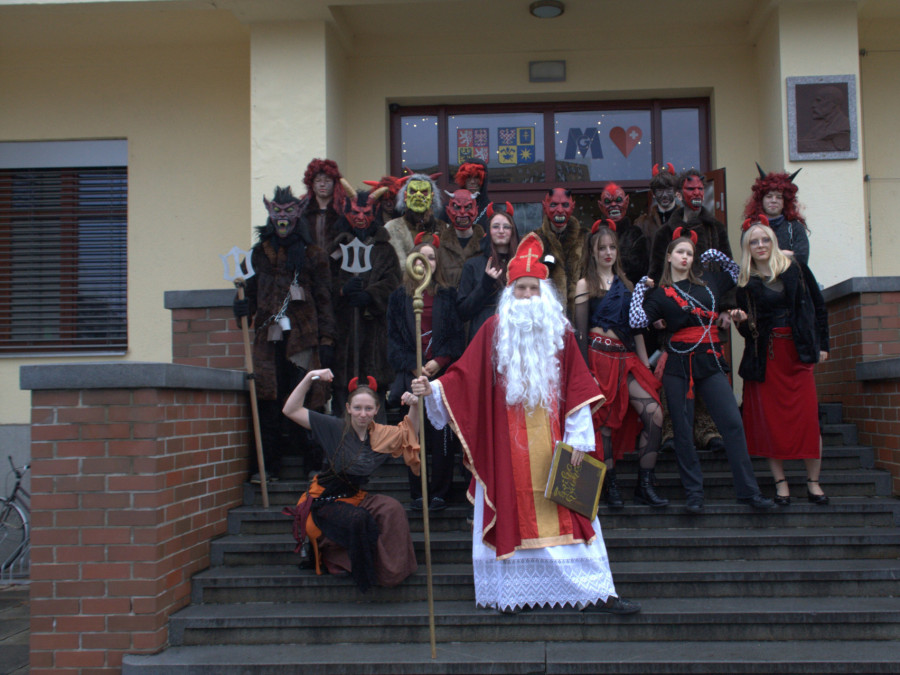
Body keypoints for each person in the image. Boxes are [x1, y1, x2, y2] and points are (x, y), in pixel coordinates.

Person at [411, 233, 639, 615]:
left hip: (557, 444)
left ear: (544, 292)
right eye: (521, 288)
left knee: (574, 517)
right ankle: (513, 594)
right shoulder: (492, 330)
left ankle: (594, 592)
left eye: (534, 288)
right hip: (506, 448)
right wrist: (431, 389)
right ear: (510, 291)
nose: (528, 296)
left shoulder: (560, 332)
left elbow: (579, 385)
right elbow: (464, 377)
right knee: (511, 511)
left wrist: (580, 439)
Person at [629, 229, 774, 514]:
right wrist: (640, 289)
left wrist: (716, 255)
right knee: (683, 431)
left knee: (732, 423)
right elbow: (636, 321)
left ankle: (749, 491)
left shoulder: (709, 281)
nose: (685, 257)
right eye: (680, 252)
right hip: (678, 364)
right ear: (669, 256)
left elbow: (738, 273)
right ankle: (694, 494)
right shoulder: (660, 294)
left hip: (710, 361)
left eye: (690, 253)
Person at [282, 369, 421, 592]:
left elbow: (409, 433)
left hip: (356, 497)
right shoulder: (333, 427)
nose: (363, 414)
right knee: (359, 520)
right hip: (325, 501)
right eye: (357, 408)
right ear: (348, 408)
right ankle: (349, 566)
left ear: (377, 409)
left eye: (368, 408)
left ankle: (391, 572)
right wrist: (309, 377)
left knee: (392, 509)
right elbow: (290, 410)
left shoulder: (381, 434)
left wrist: (415, 405)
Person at [234, 185, 335, 482]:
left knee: (308, 398)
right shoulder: (257, 255)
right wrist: (241, 307)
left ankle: (313, 464)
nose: (282, 218)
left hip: (303, 339)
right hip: (268, 341)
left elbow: (325, 299)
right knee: (267, 400)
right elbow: (249, 294)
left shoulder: (313, 255)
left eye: (288, 212)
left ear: (298, 214)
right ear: (270, 214)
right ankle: (267, 466)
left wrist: (327, 340)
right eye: (277, 212)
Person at [728, 217, 830, 505]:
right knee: (771, 423)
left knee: (808, 420)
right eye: (754, 242)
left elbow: (818, 306)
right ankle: (781, 483)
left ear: (773, 242)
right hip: (767, 358)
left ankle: (813, 482)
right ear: (747, 248)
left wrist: (823, 344)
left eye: (765, 240)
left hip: (798, 354)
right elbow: (750, 333)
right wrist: (741, 322)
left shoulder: (795, 268)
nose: (760, 245)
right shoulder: (745, 283)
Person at [574, 220, 666, 510]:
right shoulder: (584, 284)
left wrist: (645, 365)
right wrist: (584, 373)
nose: (608, 252)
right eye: (602, 248)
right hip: (597, 358)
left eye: (612, 247)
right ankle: (610, 484)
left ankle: (644, 484)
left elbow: (636, 330)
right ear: (592, 251)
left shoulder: (627, 285)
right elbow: (579, 333)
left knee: (654, 414)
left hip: (626, 358)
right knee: (603, 424)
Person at [647, 169, 729, 454]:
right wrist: (655, 309)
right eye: (690, 189)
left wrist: (727, 308)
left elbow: (727, 270)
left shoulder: (715, 228)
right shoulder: (664, 233)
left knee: (707, 373)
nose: (696, 193)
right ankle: (671, 428)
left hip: (707, 315)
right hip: (673, 312)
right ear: (680, 193)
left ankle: (707, 428)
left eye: (700, 189)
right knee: (673, 374)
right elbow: (654, 272)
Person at [387, 234, 464, 511]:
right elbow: (393, 342)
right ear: (412, 262)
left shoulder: (447, 295)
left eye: (432, 257)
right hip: (412, 375)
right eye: (421, 258)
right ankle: (418, 491)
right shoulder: (399, 298)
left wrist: (439, 362)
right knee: (414, 436)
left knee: (441, 433)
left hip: (440, 377)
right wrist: (414, 364)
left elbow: (457, 337)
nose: (426, 262)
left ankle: (440, 492)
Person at [328, 181, 402, 419]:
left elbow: (394, 283)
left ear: (374, 213)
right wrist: (343, 290)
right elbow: (323, 284)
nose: (360, 217)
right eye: (355, 212)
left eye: (366, 213)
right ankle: (343, 440)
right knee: (343, 394)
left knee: (374, 392)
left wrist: (370, 295)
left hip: (374, 335)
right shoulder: (336, 247)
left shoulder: (385, 249)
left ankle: (377, 439)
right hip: (344, 333)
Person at [456, 202, 520, 342]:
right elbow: (463, 312)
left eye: (506, 227)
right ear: (488, 231)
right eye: (495, 226)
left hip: (515, 335)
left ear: (513, 231)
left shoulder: (521, 264)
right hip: (483, 337)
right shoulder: (473, 265)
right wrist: (486, 284)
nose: (501, 231)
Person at [744, 165, 810, 266]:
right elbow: (750, 258)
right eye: (769, 196)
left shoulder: (795, 227)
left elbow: (802, 258)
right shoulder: (751, 227)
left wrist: (767, 255)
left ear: (785, 202)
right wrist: (786, 254)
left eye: (779, 197)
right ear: (761, 200)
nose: (774, 200)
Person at [537, 187, 587, 319]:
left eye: (565, 205)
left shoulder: (586, 239)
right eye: (554, 205)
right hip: (546, 317)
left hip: (580, 316)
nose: (560, 210)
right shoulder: (534, 240)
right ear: (545, 206)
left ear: (572, 207)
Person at [384, 173, 447, 267]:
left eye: (424, 192)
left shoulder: (443, 229)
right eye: (413, 191)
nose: (418, 195)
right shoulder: (391, 228)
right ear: (406, 196)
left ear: (432, 197)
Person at [597, 182, 648, 287]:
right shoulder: (595, 235)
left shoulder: (635, 234)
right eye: (607, 202)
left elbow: (640, 268)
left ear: (626, 202)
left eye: (618, 200)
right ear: (601, 206)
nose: (613, 205)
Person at [437, 188, 486, 288]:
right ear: (448, 211)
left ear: (476, 210)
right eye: (457, 207)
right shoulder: (438, 245)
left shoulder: (486, 244)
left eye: (468, 207)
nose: (463, 212)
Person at [301, 158, 349, 251]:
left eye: (327, 181)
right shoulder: (303, 211)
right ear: (312, 185)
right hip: (310, 259)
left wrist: (334, 257)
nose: (322, 184)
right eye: (318, 180)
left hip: (337, 259)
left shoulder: (343, 210)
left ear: (335, 184)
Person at [453, 159, 491, 226]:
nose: (472, 182)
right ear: (463, 180)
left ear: (483, 181)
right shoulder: (450, 209)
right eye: (468, 177)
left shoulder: (493, 210)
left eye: (476, 177)